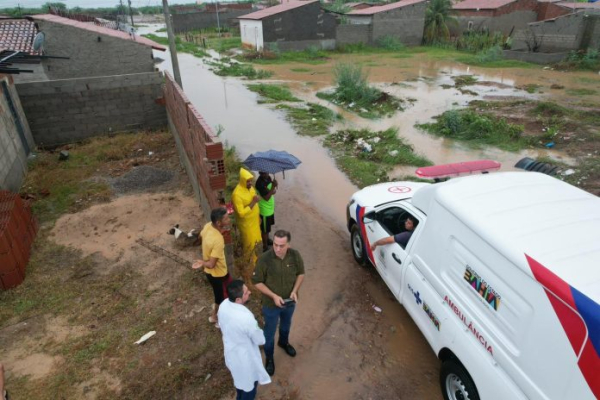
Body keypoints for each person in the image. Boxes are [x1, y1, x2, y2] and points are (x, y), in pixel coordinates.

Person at [252, 230, 305, 376]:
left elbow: (301, 273)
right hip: (270, 305)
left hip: (290, 302)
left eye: (282, 246)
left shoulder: (295, 255)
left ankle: (283, 342)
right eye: (275, 244)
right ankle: (269, 357)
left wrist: (295, 291)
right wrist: (274, 296)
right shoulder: (264, 259)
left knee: (286, 324)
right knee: (269, 333)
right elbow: (256, 282)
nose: (277, 249)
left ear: (288, 244)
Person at [218, 280, 271, 400]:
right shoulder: (246, 318)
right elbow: (260, 340)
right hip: (245, 359)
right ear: (238, 300)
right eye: (246, 292)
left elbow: (221, 324)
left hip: (231, 353)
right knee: (249, 388)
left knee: (239, 384)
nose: (250, 292)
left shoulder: (223, 305)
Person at [193, 207, 231, 327]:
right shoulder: (218, 240)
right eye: (226, 218)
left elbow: (200, 238)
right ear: (219, 223)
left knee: (229, 286)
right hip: (216, 273)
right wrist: (202, 262)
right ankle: (215, 318)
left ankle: (229, 305)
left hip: (216, 271)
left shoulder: (209, 225)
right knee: (219, 297)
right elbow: (211, 264)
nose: (229, 220)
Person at [232, 168, 262, 261]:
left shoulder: (250, 188)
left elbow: (254, 199)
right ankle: (250, 265)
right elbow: (241, 213)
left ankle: (258, 262)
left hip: (255, 223)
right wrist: (253, 202)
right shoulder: (237, 195)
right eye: (248, 181)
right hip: (247, 226)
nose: (250, 183)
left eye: (251, 181)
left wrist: (258, 216)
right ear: (242, 181)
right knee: (250, 245)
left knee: (257, 242)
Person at [255, 171, 278, 251]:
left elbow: (271, 192)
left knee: (268, 227)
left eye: (268, 172)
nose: (267, 174)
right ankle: (265, 246)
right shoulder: (259, 183)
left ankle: (267, 240)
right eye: (265, 173)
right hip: (264, 210)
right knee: (264, 230)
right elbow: (267, 197)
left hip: (270, 208)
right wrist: (272, 188)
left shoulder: (268, 178)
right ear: (260, 173)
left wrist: (274, 186)